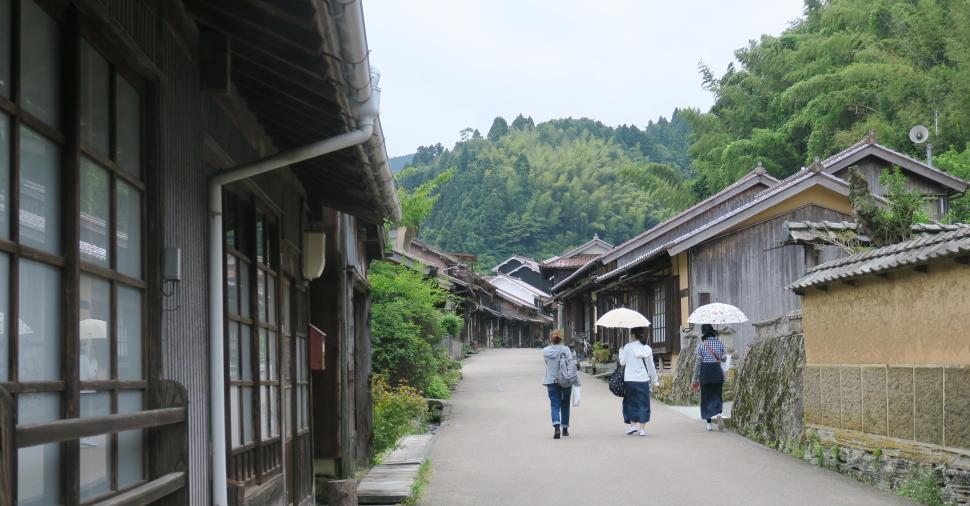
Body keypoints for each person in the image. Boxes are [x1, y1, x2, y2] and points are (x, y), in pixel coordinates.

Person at [620, 327, 659, 437]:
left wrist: (620, 352)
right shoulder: (647, 349)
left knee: (630, 402)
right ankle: (642, 429)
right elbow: (651, 367)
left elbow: (622, 363)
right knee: (643, 403)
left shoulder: (627, 347)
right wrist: (655, 381)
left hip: (630, 380)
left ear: (633, 335)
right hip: (643, 380)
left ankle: (632, 426)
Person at [692, 324, 727, 431]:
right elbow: (724, 359)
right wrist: (718, 357)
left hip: (706, 374)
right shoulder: (720, 343)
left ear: (703, 333)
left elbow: (698, 364)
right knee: (717, 395)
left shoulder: (701, 346)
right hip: (717, 372)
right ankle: (719, 414)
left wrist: (695, 378)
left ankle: (709, 424)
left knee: (706, 398)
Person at [542, 330, 576, 439]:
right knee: (565, 404)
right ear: (561, 339)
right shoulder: (566, 350)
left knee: (555, 405)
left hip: (551, 381)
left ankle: (556, 428)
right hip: (565, 380)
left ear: (550, 339)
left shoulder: (546, 351)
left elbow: (547, 363)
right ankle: (565, 429)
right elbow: (571, 364)